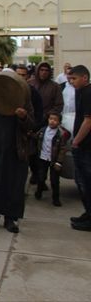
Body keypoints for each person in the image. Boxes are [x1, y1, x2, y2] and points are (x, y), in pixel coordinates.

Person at [0, 83, 37, 233]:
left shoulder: (24, 100)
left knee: (13, 184)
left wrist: (23, 117)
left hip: (15, 150)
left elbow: (31, 125)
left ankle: (10, 218)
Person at [69, 65, 91, 231]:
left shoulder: (88, 93)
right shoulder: (81, 92)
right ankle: (88, 213)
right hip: (82, 146)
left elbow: (88, 121)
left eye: (74, 78)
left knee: (86, 183)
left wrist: (76, 141)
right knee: (81, 181)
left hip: (86, 147)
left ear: (85, 78)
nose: (71, 82)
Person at [34, 111, 70, 206]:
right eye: (50, 119)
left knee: (54, 180)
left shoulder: (60, 134)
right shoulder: (43, 130)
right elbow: (35, 138)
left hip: (54, 160)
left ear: (59, 122)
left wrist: (59, 161)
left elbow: (62, 149)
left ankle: (56, 198)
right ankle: (39, 191)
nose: (52, 121)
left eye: (55, 120)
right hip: (43, 158)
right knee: (41, 177)